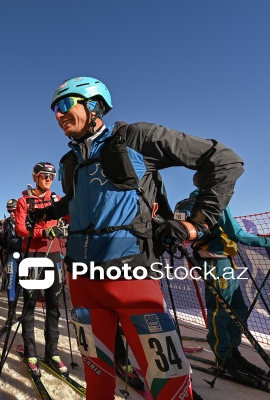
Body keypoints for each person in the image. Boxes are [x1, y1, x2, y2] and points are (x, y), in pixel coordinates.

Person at [32, 76, 243, 399]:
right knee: (97, 379)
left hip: (130, 276)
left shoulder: (136, 137)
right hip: (83, 282)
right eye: (54, 110)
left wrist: (197, 224)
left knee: (168, 384)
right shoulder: (69, 160)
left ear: (93, 105)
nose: (58, 115)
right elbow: (74, 201)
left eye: (64, 105)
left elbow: (224, 160)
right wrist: (44, 213)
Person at [175, 190, 269, 386]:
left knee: (239, 310)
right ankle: (224, 356)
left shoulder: (203, 198)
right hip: (214, 262)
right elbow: (237, 234)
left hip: (224, 261)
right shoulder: (213, 199)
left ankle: (232, 353)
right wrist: (266, 242)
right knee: (221, 311)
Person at [14, 162, 67, 378]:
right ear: (35, 177)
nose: (49, 178)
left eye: (52, 175)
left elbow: (72, 219)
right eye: (45, 175)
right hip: (34, 256)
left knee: (54, 306)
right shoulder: (24, 200)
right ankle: (31, 353)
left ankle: (52, 353)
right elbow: (20, 228)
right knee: (30, 305)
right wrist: (45, 231)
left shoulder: (57, 200)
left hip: (54, 255)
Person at [1, 199, 23, 314]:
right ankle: (11, 312)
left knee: (25, 281)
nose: (12, 214)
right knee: (10, 280)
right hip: (11, 252)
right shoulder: (7, 222)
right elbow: (4, 239)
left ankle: (27, 310)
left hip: (24, 252)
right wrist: (4, 254)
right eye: (9, 211)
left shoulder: (25, 219)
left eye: (14, 211)